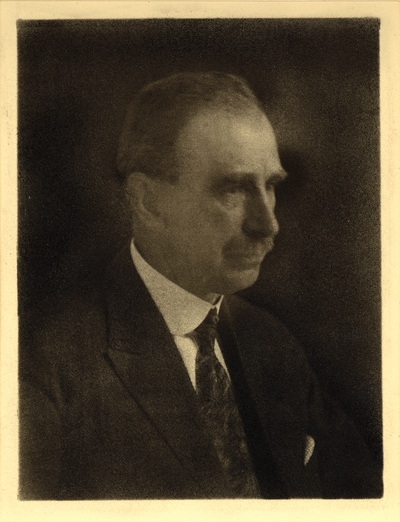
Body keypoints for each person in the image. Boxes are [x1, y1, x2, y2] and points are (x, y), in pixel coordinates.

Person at [19, 72, 382, 500]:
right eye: (232, 189)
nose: (268, 225)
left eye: (270, 187)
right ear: (147, 202)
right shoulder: (44, 366)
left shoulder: (273, 344)